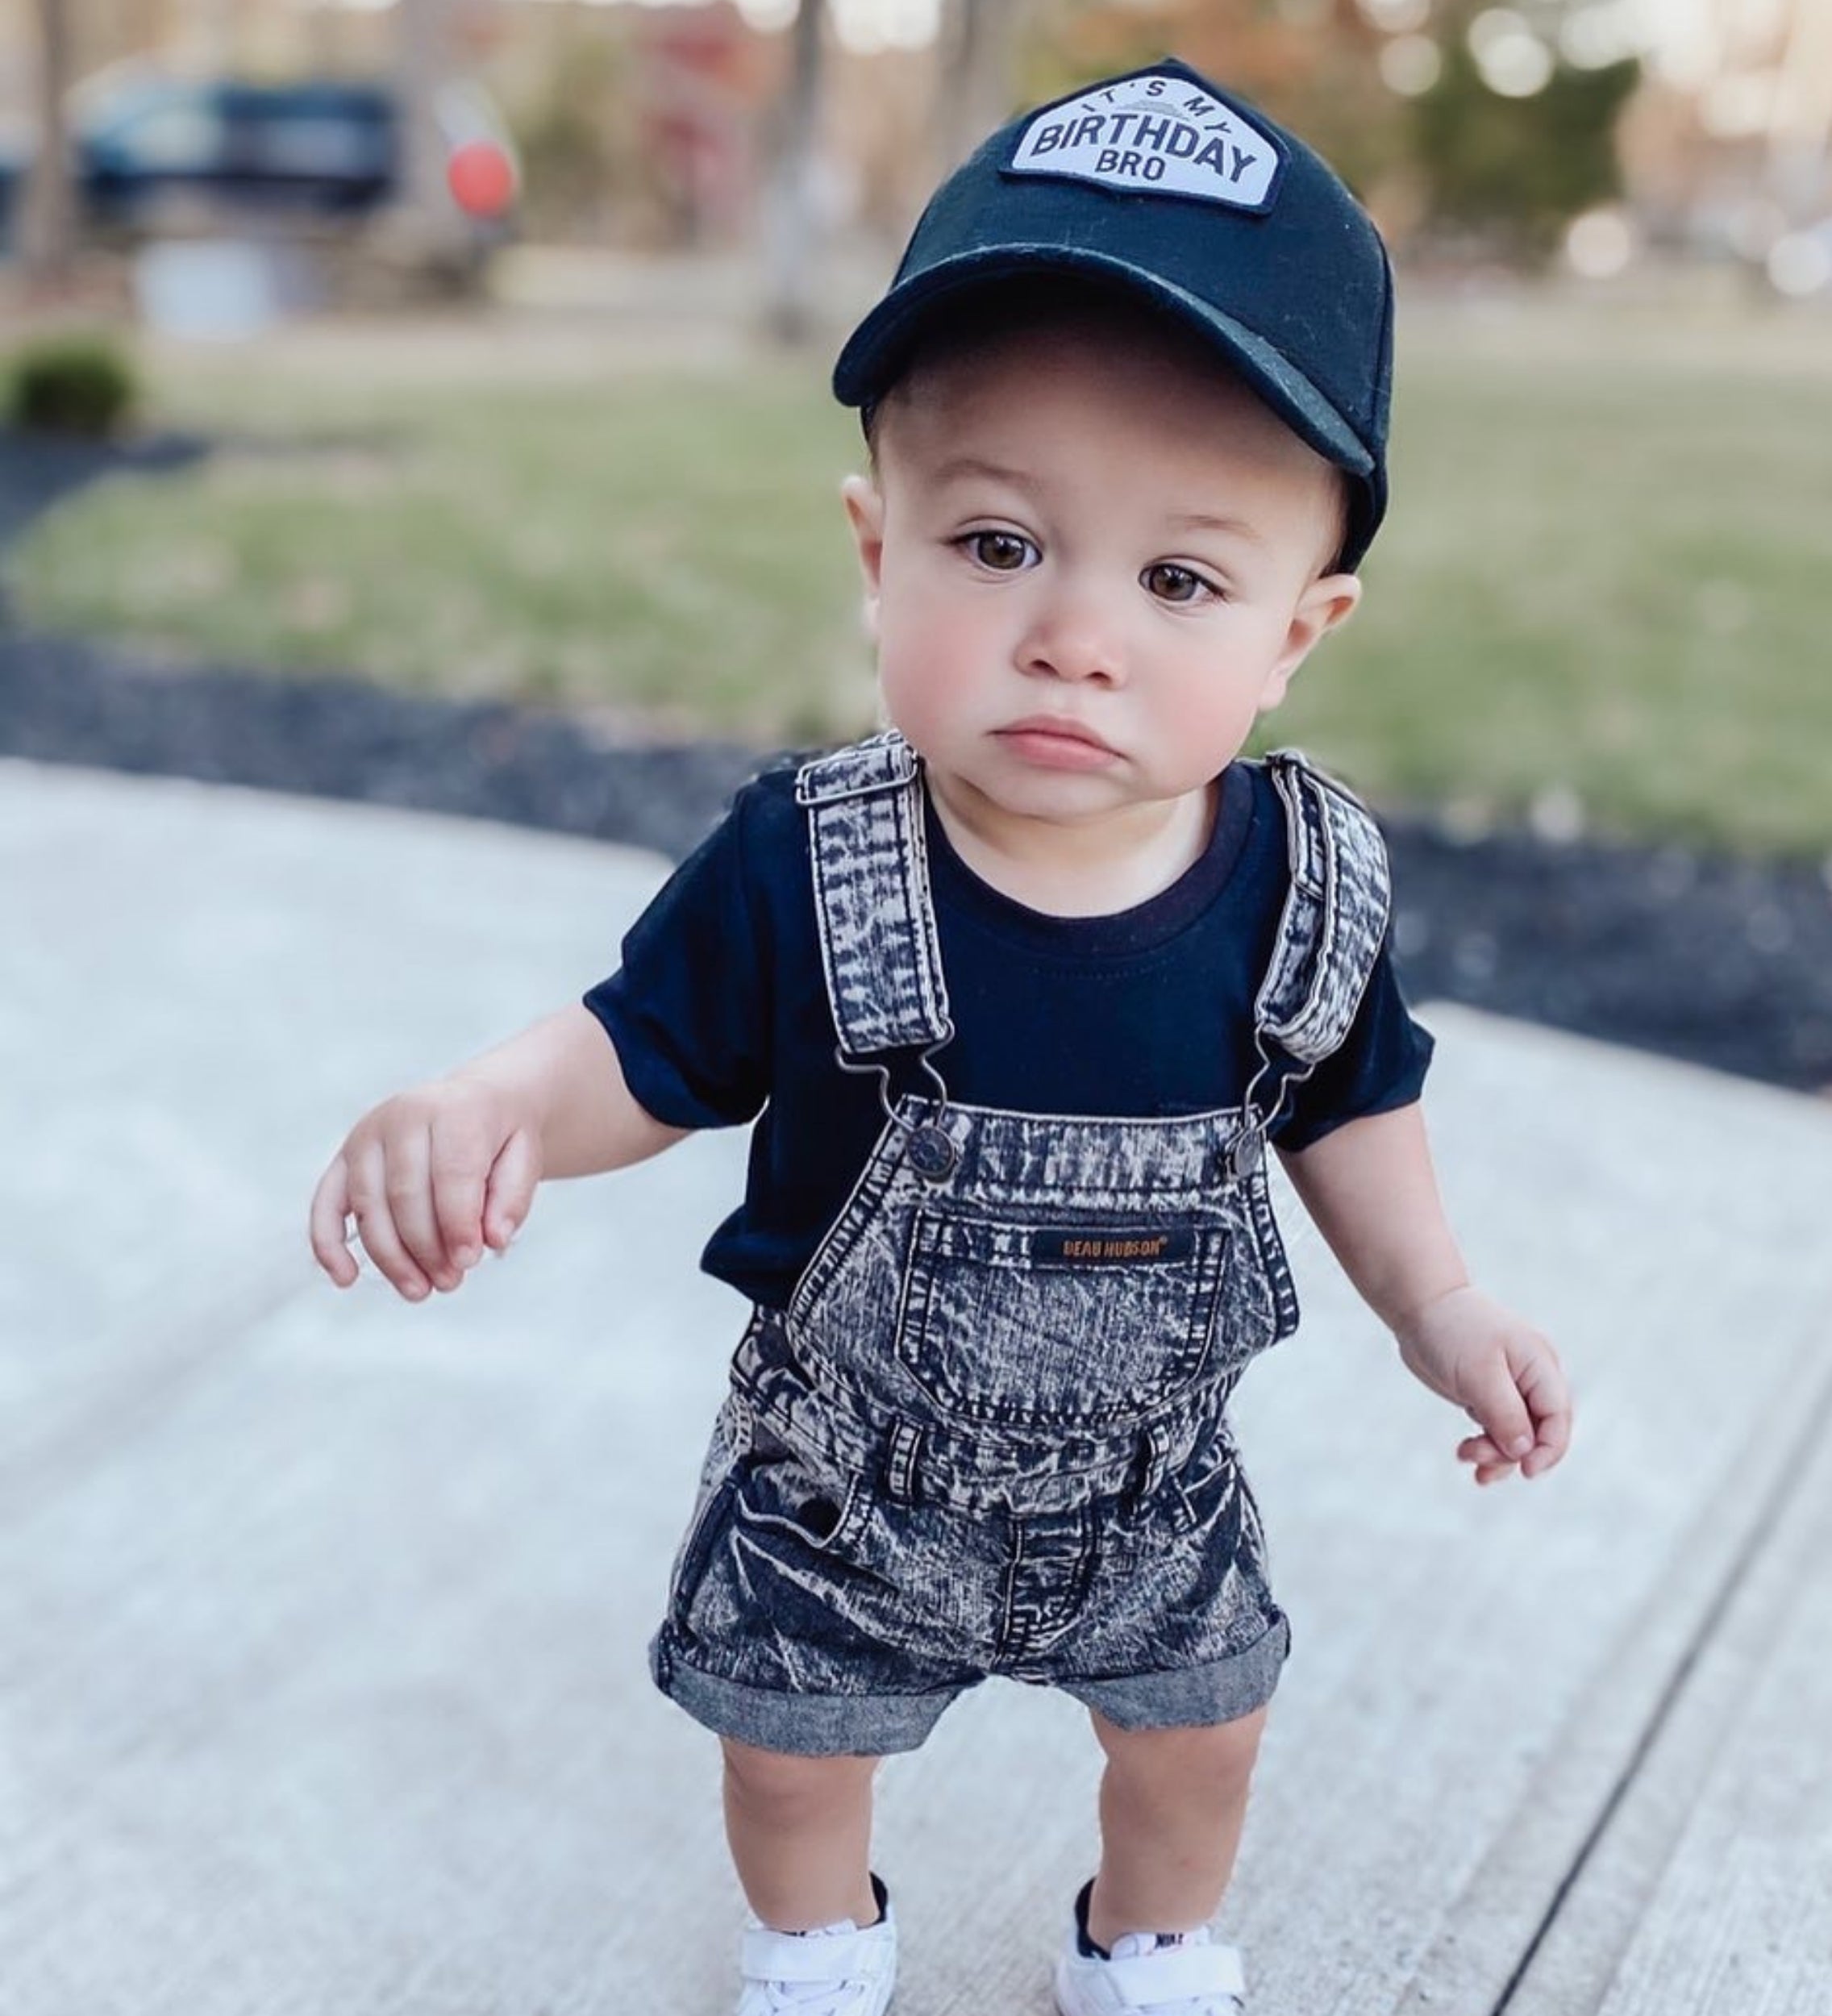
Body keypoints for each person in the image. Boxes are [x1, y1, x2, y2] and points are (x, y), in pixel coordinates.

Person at [307, 56, 1573, 2016]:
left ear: (1297, 632)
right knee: (791, 1746)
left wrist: (1442, 1309)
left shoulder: (1305, 885)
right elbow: (639, 1051)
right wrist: (490, 1105)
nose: (1075, 631)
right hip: (845, 1474)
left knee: (1200, 1735)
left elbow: (1352, 1104)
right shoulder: (803, 863)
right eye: (995, 544)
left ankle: (1143, 1944)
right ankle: (817, 1944)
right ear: (872, 542)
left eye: (1176, 578)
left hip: (1152, 1482)